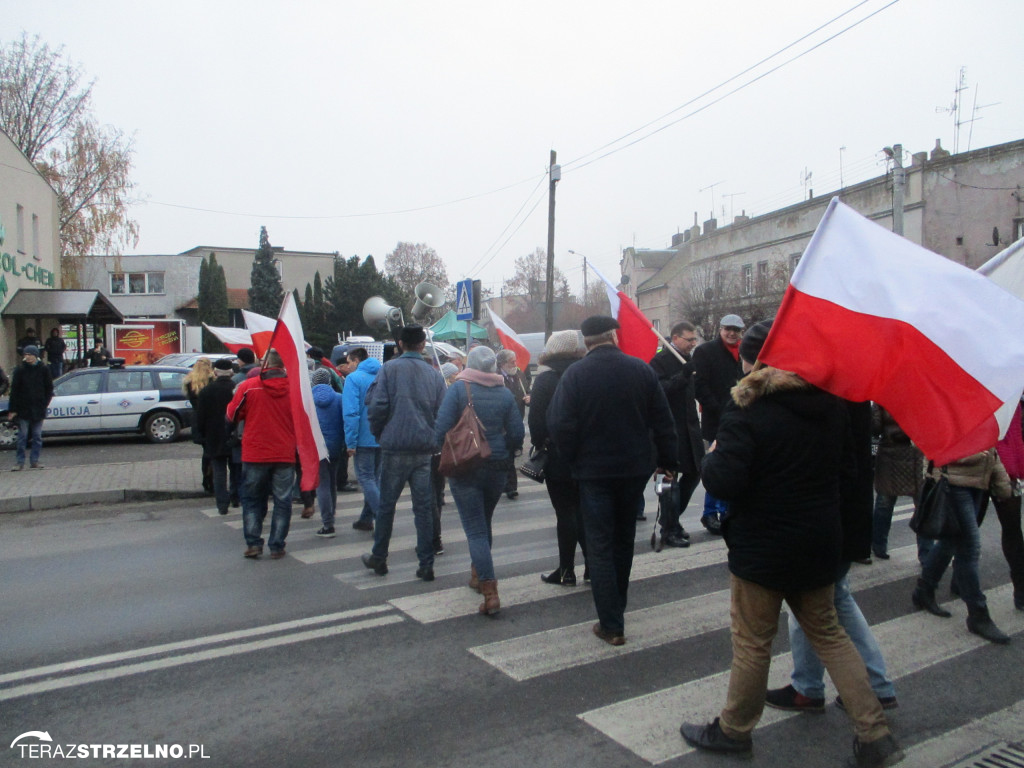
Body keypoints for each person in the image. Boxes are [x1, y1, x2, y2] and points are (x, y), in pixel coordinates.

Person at [680, 323, 903, 768]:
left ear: (754, 361)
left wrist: (713, 454)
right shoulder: (830, 404)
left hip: (762, 546)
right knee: (830, 634)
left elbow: (724, 479)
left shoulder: (746, 408)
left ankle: (733, 731)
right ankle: (875, 734)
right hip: (818, 540)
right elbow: (847, 472)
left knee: (752, 642)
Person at [548, 316, 678, 645]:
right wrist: (668, 462)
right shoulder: (641, 370)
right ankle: (616, 608)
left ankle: (611, 623)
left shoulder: (575, 374)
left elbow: (562, 425)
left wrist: (572, 459)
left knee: (600, 546)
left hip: (593, 473)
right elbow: (664, 421)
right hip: (634, 469)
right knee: (623, 541)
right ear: (614, 337)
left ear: (586, 342)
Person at [434, 347, 524, 615]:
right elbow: (518, 432)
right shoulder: (505, 392)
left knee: (475, 530)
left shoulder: (459, 389)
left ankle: (490, 590)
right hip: (497, 466)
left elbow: (440, 429)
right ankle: (477, 575)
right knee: (484, 523)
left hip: (466, 466)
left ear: (470, 366)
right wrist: (501, 448)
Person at [363, 324, 446, 580]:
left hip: (395, 447)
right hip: (423, 449)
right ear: (422, 345)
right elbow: (442, 413)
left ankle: (379, 557)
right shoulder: (433, 374)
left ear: (400, 344)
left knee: (387, 506)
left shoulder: (389, 369)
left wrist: (380, 433)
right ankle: (426, 563)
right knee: (424, 507)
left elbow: (377, 406)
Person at [911, 448, 1013, 643]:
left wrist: (1002, 483)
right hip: (953, 485)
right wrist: (981, 453)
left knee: (949, 543)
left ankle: (924, 590)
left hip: (977, 486)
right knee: (969, 548)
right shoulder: (946, 418)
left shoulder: (977, 418)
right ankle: (978, 614)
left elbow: (992, 449)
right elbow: (932, 449)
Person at [226, 348, 298, 560]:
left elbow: (232, 415)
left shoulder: (249, 387)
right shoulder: (295, 388)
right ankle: (277, 545)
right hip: (285, 452)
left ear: (263, 365)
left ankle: (254, 543)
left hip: (255, 452)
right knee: (283, 501)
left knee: (252, 499)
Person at [528, 330, 587, 585]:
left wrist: (539, 444)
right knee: (584, 511)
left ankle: (566, 571)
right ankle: (594, 567)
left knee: (565, 512)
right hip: (587, 453)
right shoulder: (587, 374)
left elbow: (536, 421)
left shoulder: (546, 380)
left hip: (558, 454)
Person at [649, 321, 704, 548]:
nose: (692, 344)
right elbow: (659, 391)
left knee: (694, 474)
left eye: (694, 340)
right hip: (667, 430)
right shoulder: (659, 361)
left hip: (690, 428)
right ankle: (668, 529)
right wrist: (682, 375)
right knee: (668, 479)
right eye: (689, 339)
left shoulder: (690, 360)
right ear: (675, 337)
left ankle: (672, 519)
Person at [692, 314, 745, 535]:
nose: (732, 333)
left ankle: (728, 511)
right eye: (727, 329)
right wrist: (719, 409)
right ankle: (710, 513)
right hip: (718, 419)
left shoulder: (747, 351)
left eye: (736, 330)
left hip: (742, 417)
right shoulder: (706, 352)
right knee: (719, 465)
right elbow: (700, 385)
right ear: (720, 329)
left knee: (736, 466)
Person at [871, 404, 924, 560]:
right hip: (890, 454)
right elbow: (875, 428)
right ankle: (878, 545)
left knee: (922, 505)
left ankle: (926, 552)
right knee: (884, 503)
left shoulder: (921, 394)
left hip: (915, 453)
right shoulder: (883, 394)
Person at [343, 347, 383, 533]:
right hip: (382, 435)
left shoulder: (353, 379)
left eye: (349, 361)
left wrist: (350, 442)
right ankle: (366, 518)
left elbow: (351, 412)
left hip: (363, 436)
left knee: (366, 478)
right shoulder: (382, 376)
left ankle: (382, 516)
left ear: (357, 361)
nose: (348, 366)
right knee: (374, 478)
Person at [193, 358, 239, 515]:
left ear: (215, 372)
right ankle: (235, 497)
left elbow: (201, 416)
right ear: (231, 372)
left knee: (219, 471)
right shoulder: (237, 388)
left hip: (214, 436)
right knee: (236, 469)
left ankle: (222, 504)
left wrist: (200, 434)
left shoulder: (207, 390)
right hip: (234, 434)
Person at [993, 400, 1024, 611]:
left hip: (1006, 462)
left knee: (1012, 529)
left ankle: (1021, 590)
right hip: (988, 460)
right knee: (967, 531)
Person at [310, 367, 345, 537]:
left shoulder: (308, 400)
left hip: (316, 447)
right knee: (332, 482)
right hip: (336, 446)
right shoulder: (339, 398)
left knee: (322, 483)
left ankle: (327, 523)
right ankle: (332, 513)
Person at [8, 345, 54, 471]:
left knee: (37, 436)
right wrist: (12, 409)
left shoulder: (43, 369)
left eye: (29, 354)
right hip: (24, 409)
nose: (26, 357)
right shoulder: (20, 370)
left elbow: (49, 389)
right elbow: (14, 391)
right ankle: (19, 462)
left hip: (38, 409)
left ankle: (35, 461)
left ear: (35, 355)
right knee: (22, 436)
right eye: (25, 354)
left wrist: (44, 403)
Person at [496, 348, 530, 500]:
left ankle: (507, 484)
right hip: (500, 423)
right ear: (502, 364)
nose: (515, 364)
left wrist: (530, 398)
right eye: (512, 362)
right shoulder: (495, 377)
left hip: (517, 420)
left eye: (515, 361)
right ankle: (510, 487)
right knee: (506, 455)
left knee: (509, 455)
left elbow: (527, 391)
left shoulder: (519, 374)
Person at [183, 357, 216, 494]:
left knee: (206, 452)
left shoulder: (189, 381)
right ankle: (213, 479)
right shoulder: (212, 380)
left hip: (197, 418)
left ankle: (206, 479)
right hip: (212, 419)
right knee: (213, 451)